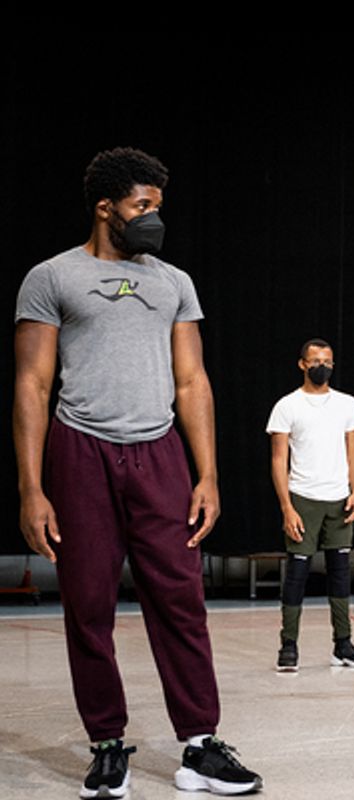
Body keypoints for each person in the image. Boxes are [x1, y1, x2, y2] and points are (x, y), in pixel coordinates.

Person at [13, 147, 262, 796]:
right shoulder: (51, 278)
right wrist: (31, 487)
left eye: (158, 207)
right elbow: (33, 386)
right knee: (89, 604)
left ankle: (199, 747)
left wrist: (206, 474)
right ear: (106, 208)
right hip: (80, 452)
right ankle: (106, 746)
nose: (153, 218)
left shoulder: (173, 281)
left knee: (182, 602)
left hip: (158, 455)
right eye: (142, 206)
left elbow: (192, 381)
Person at [266, 339, 354, 671]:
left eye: (326, 360)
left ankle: (343, 644)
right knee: (297, 574)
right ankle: (289, 646)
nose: (320, 365)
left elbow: (353, 452)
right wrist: (286, 507)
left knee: (340, 574)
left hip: (339, 499)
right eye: (314, 361)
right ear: (302, 364)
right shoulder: (287, 406)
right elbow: (278, 459)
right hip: (303, 499)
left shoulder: (347, 404)